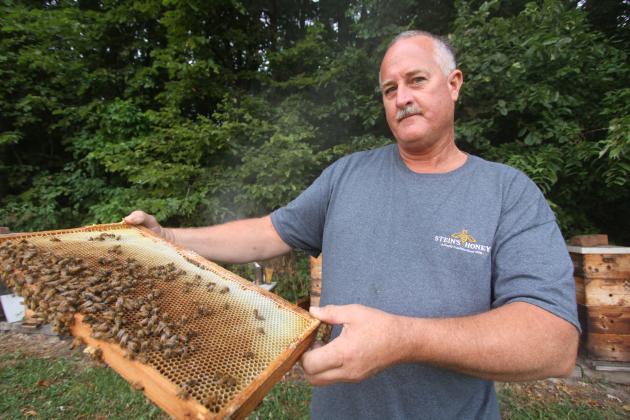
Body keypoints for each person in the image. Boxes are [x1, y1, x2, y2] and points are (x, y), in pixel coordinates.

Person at [125, 30, 580, 419]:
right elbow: (268, 232)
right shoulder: (347, 175)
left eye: (416, 80)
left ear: (454, 83)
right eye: (389, 89)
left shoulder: (507, 192)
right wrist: (167, 237)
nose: (402, 98)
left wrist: (403, 339)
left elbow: (553, 342)